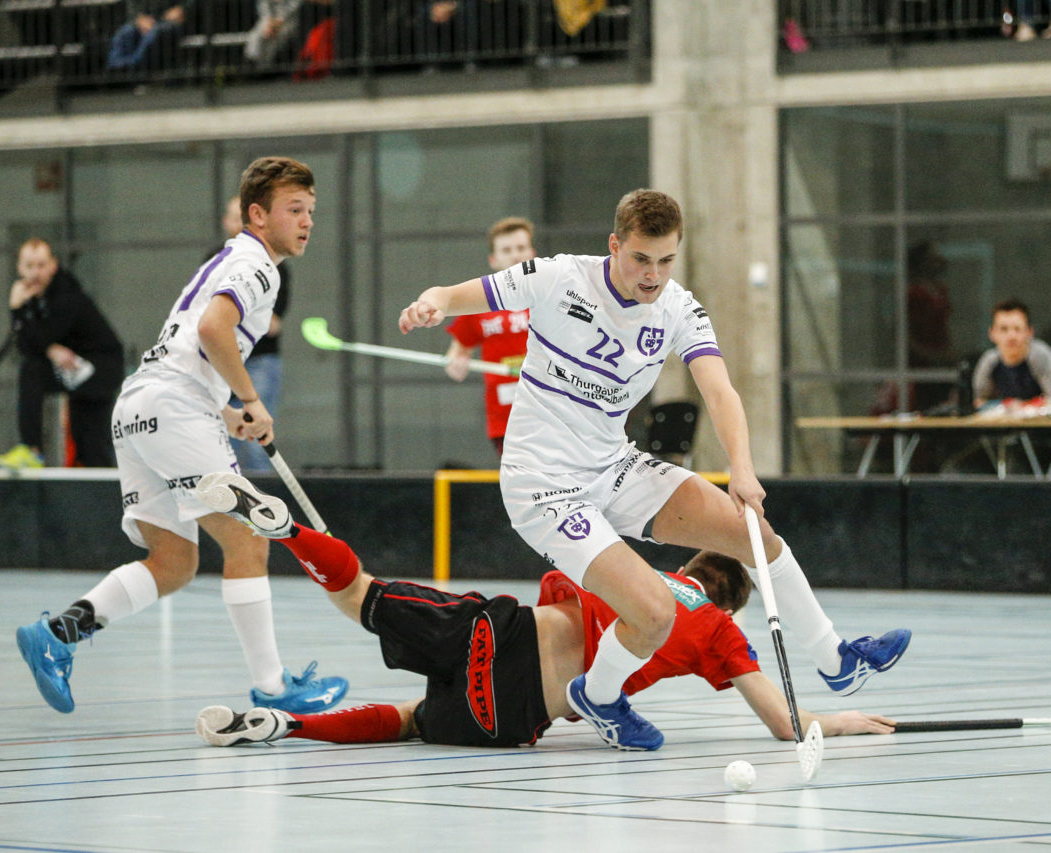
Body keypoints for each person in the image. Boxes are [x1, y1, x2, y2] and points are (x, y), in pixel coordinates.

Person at [398, 188, 910, 751]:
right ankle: (599, 693)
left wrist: (741, 467)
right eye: (641, 258)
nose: (653, 275)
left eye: (666, 260)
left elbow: (719, 390)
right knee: (654, 612)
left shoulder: (678, 309)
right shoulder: (559, 277)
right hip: (542, 484)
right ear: (615, 245)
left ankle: (834, 657)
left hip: (613, 465)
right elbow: (455, 294)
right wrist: (433, 304)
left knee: (755, 535)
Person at [191, 473, 898, 749]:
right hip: (511, 712)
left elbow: (558, 576)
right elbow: (783, 723)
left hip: (495, 633)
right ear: (737, 597)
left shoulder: (637, 575)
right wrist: (843, 722)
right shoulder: (720, 633)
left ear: (689, 566)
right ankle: (289, 724)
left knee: (360, 594)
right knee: (409, 719)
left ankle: (287, 531)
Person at [15, 157, 347, 715]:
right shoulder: (258, 266)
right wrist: (251, 400)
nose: (307, 221)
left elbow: (188, 352)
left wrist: (224, 409)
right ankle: (273, 688)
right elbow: (215, 329)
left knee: (173, 562)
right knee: (249, 539)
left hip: (141, 406)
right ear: (258, 215)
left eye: (311, 211)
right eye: (295, 210)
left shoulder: (229, 260)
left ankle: (57, 633)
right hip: (173, 407)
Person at [0, 239, 125, 469]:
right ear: (19, 268)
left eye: (41, 265)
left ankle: (32, 450)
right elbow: (27, 346)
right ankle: (31, 448)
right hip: (74, 368)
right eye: (29, 266)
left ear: (53, 265)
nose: (35, 272)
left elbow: (39, 339)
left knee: (92, 445)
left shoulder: (66, 295)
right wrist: (49, 347)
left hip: (100, 370)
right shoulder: (34, 298)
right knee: (32, 370)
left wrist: (17, 309)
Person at [443, 216, 534, 457]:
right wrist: (455, 365)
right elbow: (456, 356)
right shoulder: (480, 304)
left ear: (532, 253)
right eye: (507, 250)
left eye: (521, 248)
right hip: (506, 421)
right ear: (493, 260)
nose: (516, 255)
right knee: (524, 490)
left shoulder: (550, 299)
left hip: (553, 413)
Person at [215, 196, 291, 473]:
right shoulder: (216, 262)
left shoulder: (274, 266)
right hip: (221, 362)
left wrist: (249, 398)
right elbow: (209, 325)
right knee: (222, 444)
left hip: (259, 362)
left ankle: (263, 512)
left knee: (256, 443)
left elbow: (273, 324)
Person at [972, 298, 1051, 408]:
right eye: (1004, 329)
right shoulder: (989, 362)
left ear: (1029, 332)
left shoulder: (1042, 357)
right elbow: (979, 401)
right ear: (992, 333)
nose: (1011, 336)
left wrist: (1022, 407)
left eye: (1017, 329)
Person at [107, 3, 188, 73]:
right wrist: (140, 19)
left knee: (154, 32)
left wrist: (183, 8)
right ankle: (115, 64)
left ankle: (133, 65)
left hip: (172, 22)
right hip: (147, 21)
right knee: (126, 31)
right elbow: (134, 7)